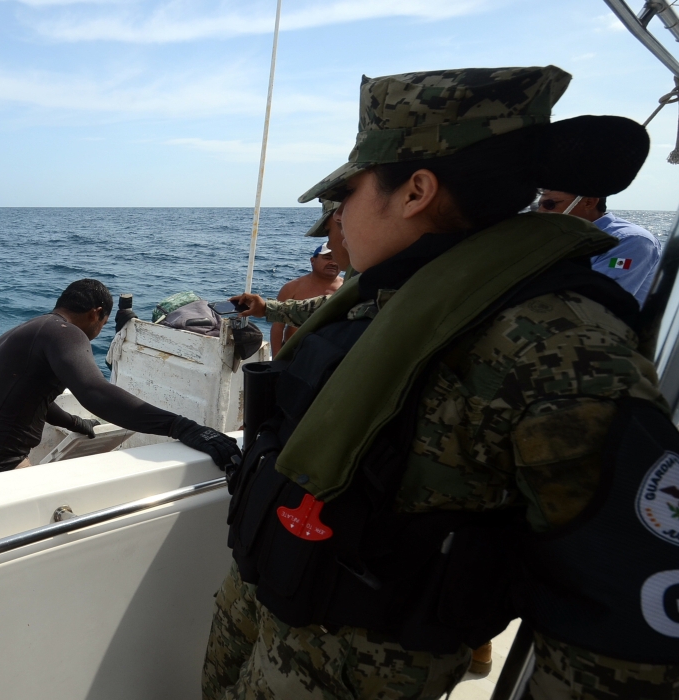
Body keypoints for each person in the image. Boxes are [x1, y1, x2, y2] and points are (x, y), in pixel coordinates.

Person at [209, 66, 679, 699]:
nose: (339, 215)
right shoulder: (392, 295)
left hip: (356, 666)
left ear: (416, 191)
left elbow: (625, 612)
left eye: (349, 191)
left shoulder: (556, 340)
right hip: (268, 595)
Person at [0, 278, 241, 479]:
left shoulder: (32, 329)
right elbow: (94, 391)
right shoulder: (66, 333)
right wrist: (181, 426)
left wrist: (77, 423)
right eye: (103, 323)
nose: (99, 330)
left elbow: (36, 398)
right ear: (96, 314)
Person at [537, 189, 662, 306]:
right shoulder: (561, 240)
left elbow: (594, 301)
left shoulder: (632, 240)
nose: (540, 212)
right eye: (538, 205)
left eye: (549, 204)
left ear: (588, 202)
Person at [270, 243, 342, 351]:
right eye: (327, 258)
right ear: (313, 260)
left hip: (333, 354)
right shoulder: (292, 287)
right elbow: (277, 327)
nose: (333, 262)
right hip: (295, 353)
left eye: (336, 258)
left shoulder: (346, 287)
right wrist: (276, 359)